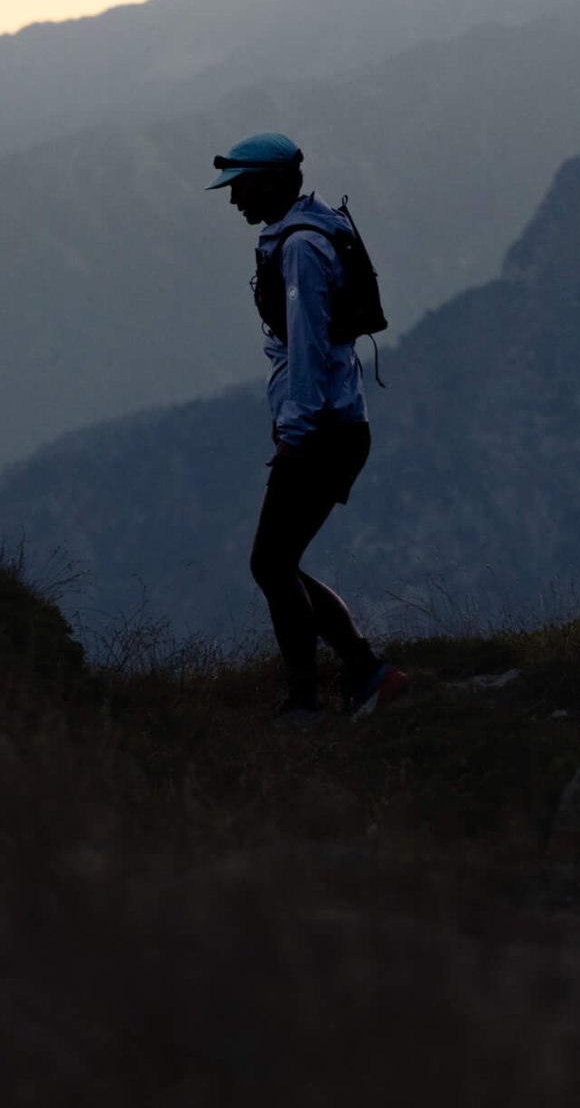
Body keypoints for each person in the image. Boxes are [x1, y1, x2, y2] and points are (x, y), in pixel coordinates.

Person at [212, 131, 403, 724]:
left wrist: (294, 433)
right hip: (335, 425)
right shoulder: (313, 229)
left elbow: (309, 346)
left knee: (271, 563)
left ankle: (308, 701)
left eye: (241, 187)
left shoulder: (299, 249)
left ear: (272, 182)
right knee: (278, 562)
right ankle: (366, 673)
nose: (234, 200)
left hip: (323, 431)